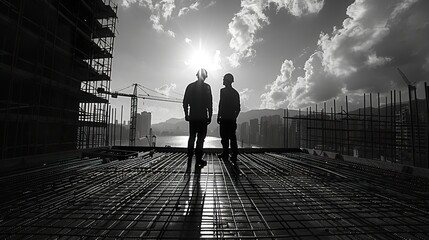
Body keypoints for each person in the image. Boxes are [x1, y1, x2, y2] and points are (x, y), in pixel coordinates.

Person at [183, 68, 213, 169]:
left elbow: (185, 102)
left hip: (194, 115)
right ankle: (198, 158)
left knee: (192, 137)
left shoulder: (190, 86)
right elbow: (209, 103)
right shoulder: (207, 87)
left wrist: (187, 114)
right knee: (200, 139)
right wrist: (210, 115)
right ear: (205, 76)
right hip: (202, 116)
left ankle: (190, 156)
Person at [217, 73, 240, 163]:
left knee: (228, 137)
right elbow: (221, 104)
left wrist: (220, 115)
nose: (222, 81)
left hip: (227, 118)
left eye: (224, 79)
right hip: (228, 118)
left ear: (227, 81)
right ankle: (229, 153)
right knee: (228, 137)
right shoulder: (234, 93)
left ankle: (230, 153)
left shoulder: (227, 92)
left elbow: (237, 108)